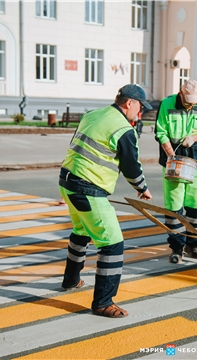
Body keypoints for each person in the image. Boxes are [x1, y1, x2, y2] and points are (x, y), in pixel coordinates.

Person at [58, 84, 153, 318]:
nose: (140, 113)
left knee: (81, 231)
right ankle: (102, 302)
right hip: (88, 189)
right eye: (140, 107)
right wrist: (142, 188)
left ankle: (71, 280)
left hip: (67, 181)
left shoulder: (93, 114)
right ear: (129, 103)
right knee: (112, 243)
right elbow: (131, 166)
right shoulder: (123, 129)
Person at [155, 79, 197, 264]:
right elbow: (160, 132)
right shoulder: (166, 104)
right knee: (174, 206)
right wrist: (170, 153)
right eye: (187, 101)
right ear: (180, 94)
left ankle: (192, 245)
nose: (191, 105)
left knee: (195, 205)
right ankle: (176, 248)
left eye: (194, 102)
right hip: (173, 162)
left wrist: (195, 137)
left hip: (195, 162)